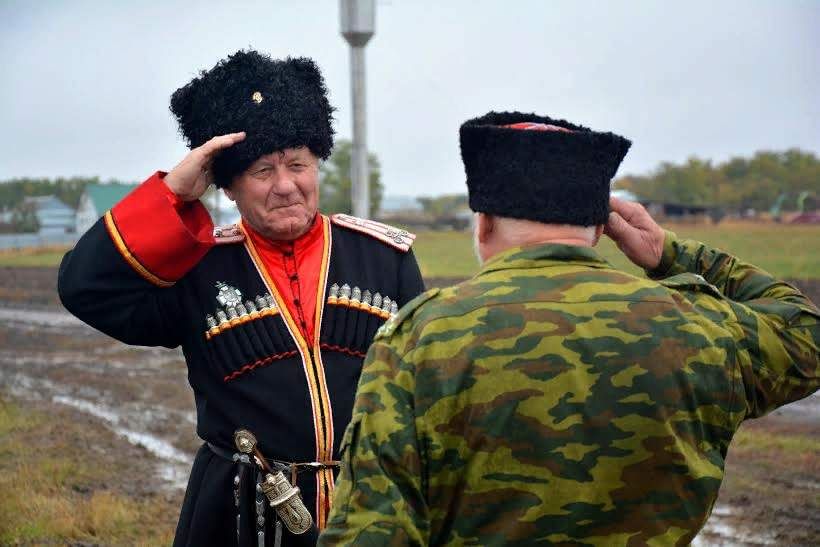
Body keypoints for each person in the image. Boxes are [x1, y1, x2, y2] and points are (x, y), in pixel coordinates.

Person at [318, 111, 820, 546]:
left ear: (484, 224)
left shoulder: (419, 338)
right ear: (601, 229)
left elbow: (372, 531)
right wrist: (672, 254)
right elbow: (806, 333)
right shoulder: (697, 325)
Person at [58, 50, 425, 546]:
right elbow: (84, 288)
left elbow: (422, 395)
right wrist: (172, 193)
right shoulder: (199, 268)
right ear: (228, 187)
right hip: (237, 515)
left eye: (298, 164)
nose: (285, 186)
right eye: (261, 171)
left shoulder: (385, 258)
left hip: (368, 511)